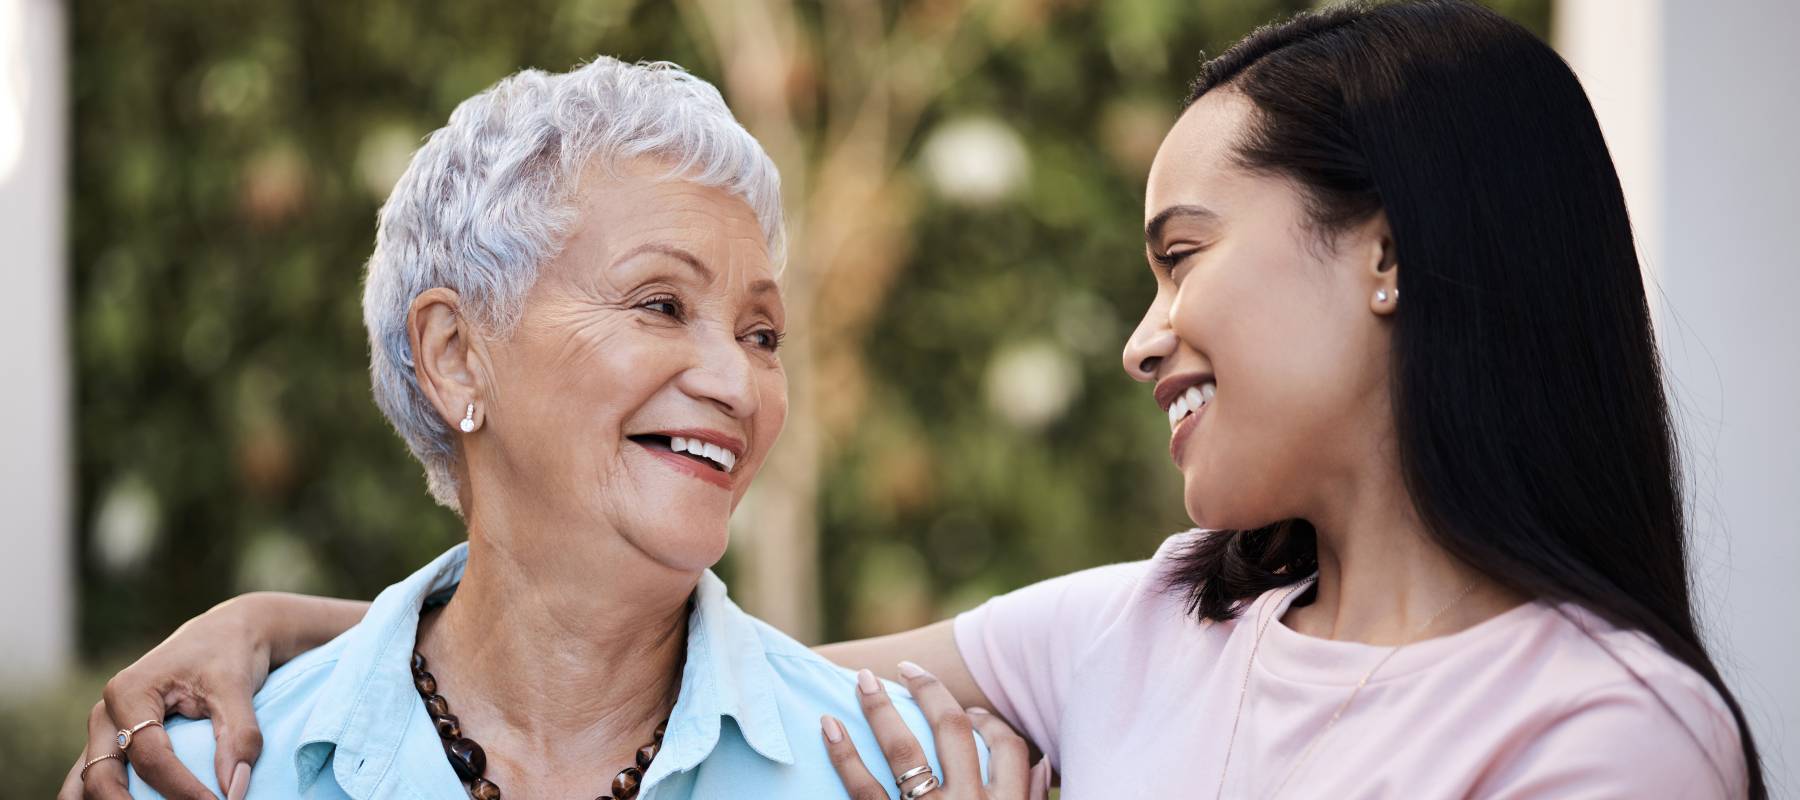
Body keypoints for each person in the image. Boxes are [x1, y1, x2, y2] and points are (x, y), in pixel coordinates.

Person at [71, 2, 1767, 798]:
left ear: (1385, 254)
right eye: (662, 305)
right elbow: (642, 663)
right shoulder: (1144, 633)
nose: (1141, 334)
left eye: (1182, 256)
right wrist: (299, 638)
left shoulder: (1602, 743)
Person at [65, 56, 1017, 800]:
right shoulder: (192, 773)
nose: (738, 382)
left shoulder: (919, 774)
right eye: (659, 303)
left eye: (761, 333)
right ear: (455, 355)